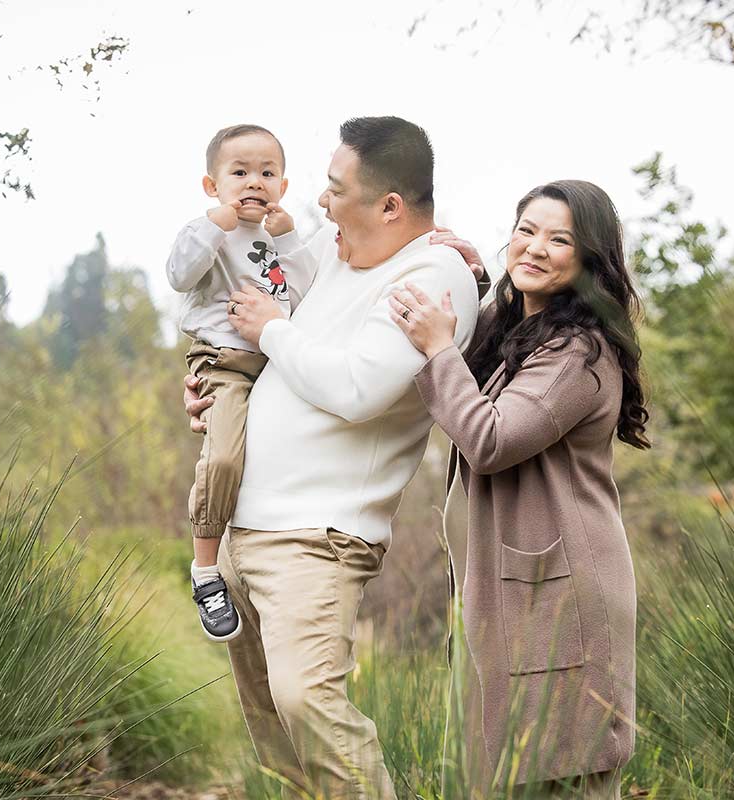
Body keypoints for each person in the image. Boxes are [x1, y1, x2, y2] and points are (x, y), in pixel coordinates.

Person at [185, 116, 481, 799]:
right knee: (275, 729)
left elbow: (356, 390)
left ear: (390, 206)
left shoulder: (433, 274)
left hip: (317, 537)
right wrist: (210, 381)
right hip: (244, 527)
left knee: (305, 700)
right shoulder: (333, 250)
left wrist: (273, 330)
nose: (319, 201)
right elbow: (247, 318)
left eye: (335, 188)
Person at [388, 180, 649, 797]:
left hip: (559, 596)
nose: (534, 247)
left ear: (589, 261)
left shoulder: (577, 351)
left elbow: (491, 438)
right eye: (526, 230)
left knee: (562, 769)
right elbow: (467, 353)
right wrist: (468, 279)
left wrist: (436, 345)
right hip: (509, 593)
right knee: (495, 770)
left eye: (559, 240)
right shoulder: (517, 331)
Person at [166, 124, 316, 642]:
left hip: (276, 366)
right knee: (225, 458)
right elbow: (179, 274)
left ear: (283, 185)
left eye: (267, 173)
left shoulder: (277, 239)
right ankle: (206, 570)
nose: (255, 182)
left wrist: (289, 238)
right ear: (213, 185)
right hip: (223, 364)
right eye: (240, 172)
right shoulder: (206, 230)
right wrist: (216, 224)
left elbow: (304, 295)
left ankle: (269, 567)